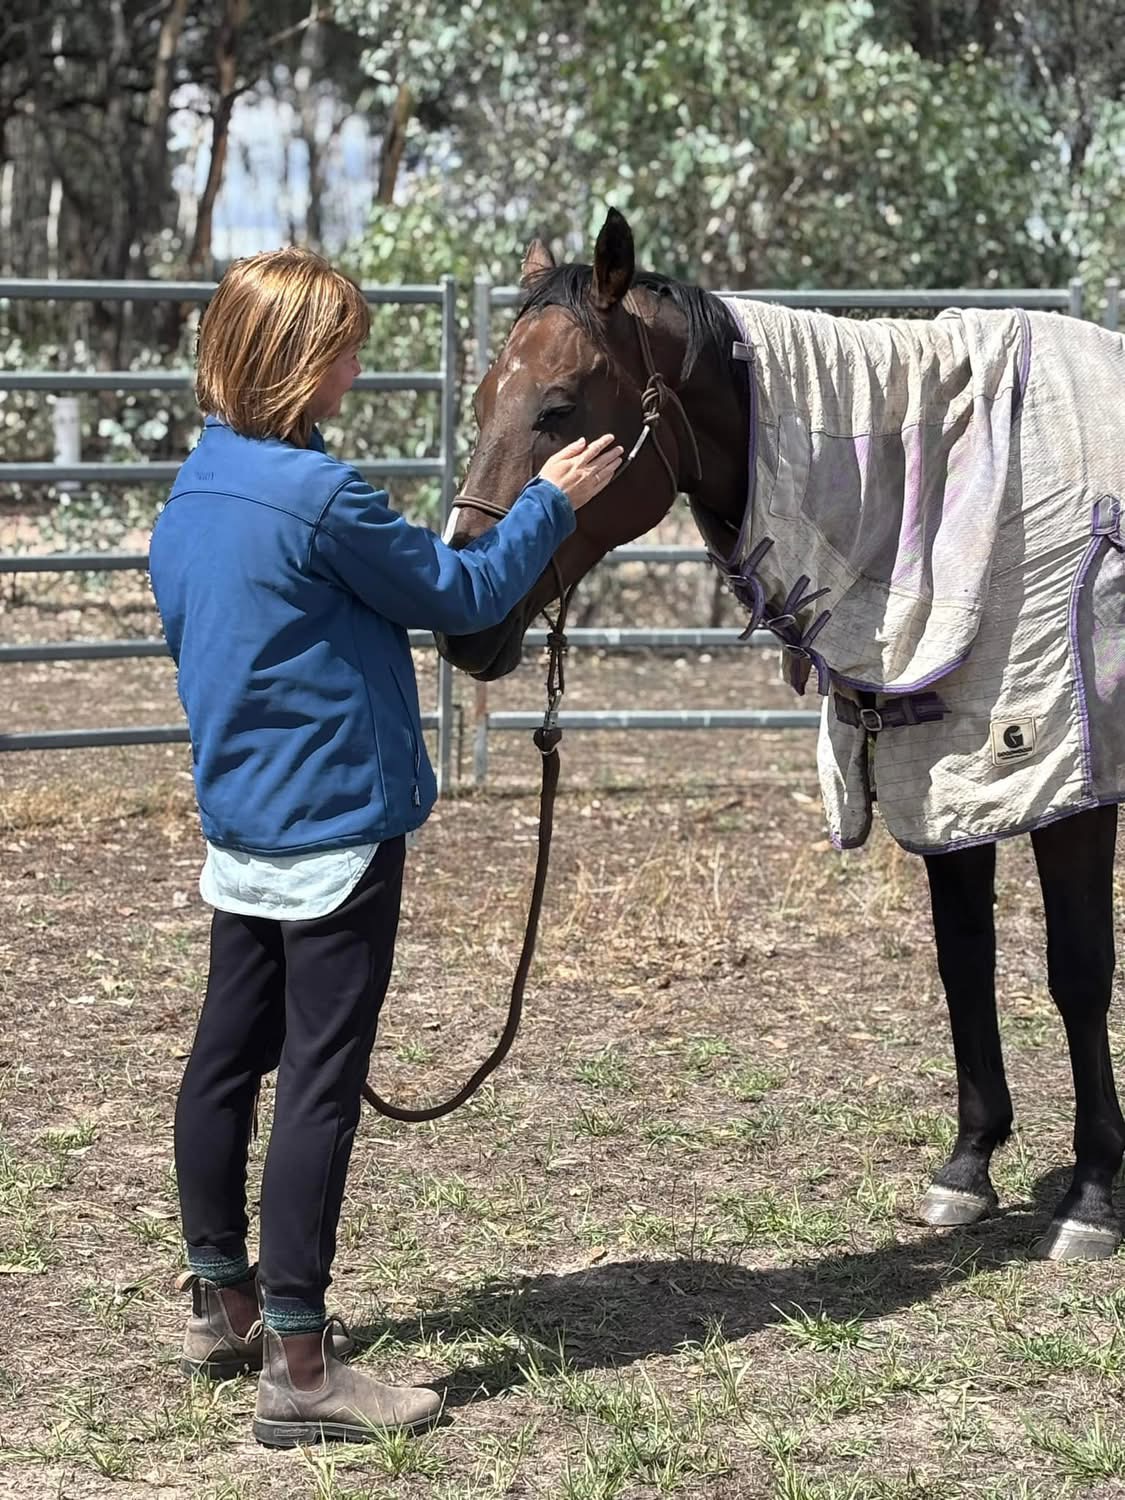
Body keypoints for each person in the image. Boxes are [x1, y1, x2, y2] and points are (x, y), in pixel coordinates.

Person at [148, 246, 622, 1448]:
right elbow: (459, 595)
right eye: (343, 345)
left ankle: (222, 1297)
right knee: (315, 1084)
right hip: (337, 831)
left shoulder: (198, 488)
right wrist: (549, 501)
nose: (356, 364)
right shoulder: (323, 497)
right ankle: (303, 1371)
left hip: (244, 821)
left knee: (226, 1058)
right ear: (297, 360)